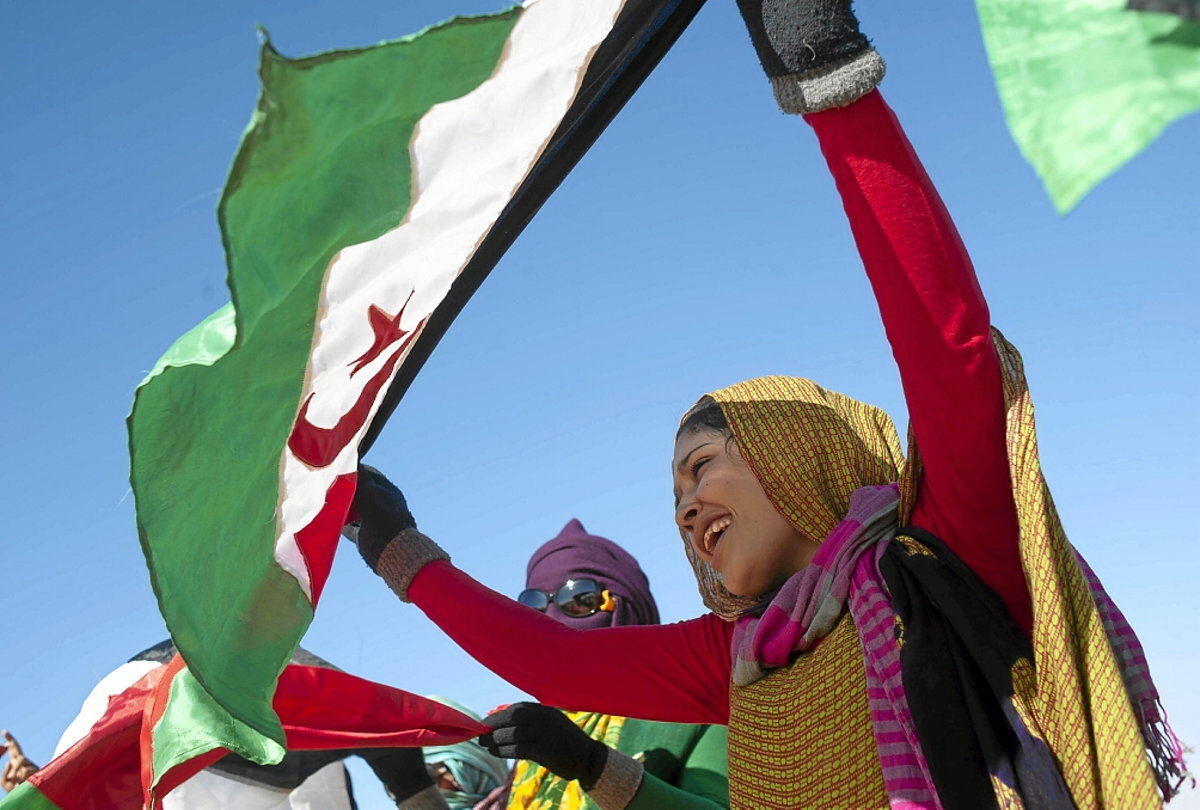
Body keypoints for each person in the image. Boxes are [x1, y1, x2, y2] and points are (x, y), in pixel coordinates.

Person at [346, 1, 1186, 807]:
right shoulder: (737, 660)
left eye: (701, 466)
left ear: (798, 450)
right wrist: (391, 545)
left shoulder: (949, 552)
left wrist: (827, 78)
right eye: (676, 496)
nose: (685, 511)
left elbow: (948, 343)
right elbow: (550, 662)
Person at [483, 519, 728, 810]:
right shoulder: (537, 742)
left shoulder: (701, 702)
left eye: (577, 598)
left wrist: (594, 766)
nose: (548, 618)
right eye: (532, 606)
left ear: (627, 606)